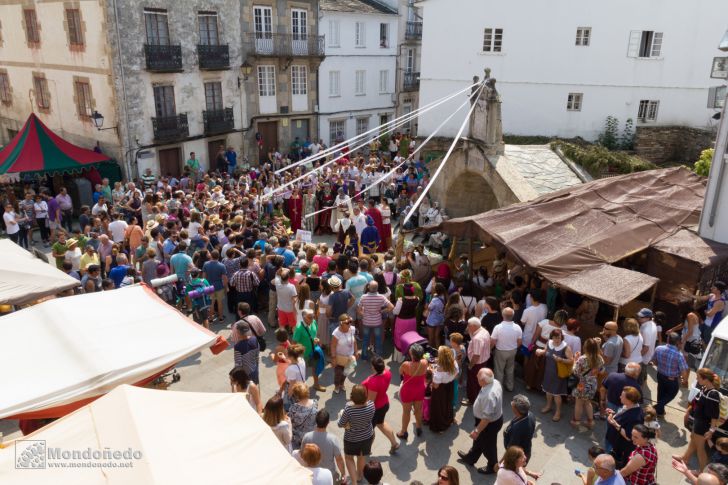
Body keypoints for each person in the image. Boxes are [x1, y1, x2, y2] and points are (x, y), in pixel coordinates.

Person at [457, 368, 503, 475]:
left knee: (488, 446)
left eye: (478, 376)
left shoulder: (489, 396)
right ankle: (471, 457)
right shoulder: (495, 382)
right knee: (478, 441)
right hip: (489, 420)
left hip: (488, 424)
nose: (476, 376)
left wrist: (477, 430)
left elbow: (486, 419)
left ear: (483, 381)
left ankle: (492, 466)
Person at [675, 368, 723, 471]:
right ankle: (685, 458)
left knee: (700, 449)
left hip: (703, 425)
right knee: (693, 438)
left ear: (706, 379)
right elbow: (695, 402)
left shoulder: (713, 394)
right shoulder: (704, 388)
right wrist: (688, 411)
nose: (696, 379)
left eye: (698, 378)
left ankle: (702, 472)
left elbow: (715, 415)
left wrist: (711, 431)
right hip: (697, 421)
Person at [338, 384, 376, 485]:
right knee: (361, 457)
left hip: (351, 439)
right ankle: (359, 476)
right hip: (367, 437)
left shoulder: (349, 409)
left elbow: (340, 424)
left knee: (349, 458)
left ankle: (354, 482)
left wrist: (340, 416)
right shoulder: (372, 405)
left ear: (352, 397)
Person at [362, 356, 400, 454]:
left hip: (375, 409)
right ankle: (394, 443)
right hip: (384, 404)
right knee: (381, 423)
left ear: (374, 368)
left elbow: (370, 401)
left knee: (370, 430)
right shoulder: (388, 372)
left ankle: (367, 450)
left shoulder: (373, 382)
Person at [536, 328, 573, 422]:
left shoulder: (566, 347)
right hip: (548, 372)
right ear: (552, 337)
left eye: (559, 338)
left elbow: (571, 361)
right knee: (548, 391)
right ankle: (548, 406)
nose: (557, 340)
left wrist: (561, 360)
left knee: (556, 394)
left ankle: (558, 412)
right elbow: (546, 351)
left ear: (562, 337)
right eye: (555, 337)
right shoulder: (549, 343)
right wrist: (541, 352)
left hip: (558, 374)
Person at [301, 410, 347, 484]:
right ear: (328, 422)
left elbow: (302, 455)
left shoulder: (307, 437)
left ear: (316, 421)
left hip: (310, 474)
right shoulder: (333, 439)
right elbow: (339, 460)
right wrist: (343, 474)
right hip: (329, 475)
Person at [653, 332, 689, 416]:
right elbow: (684, 371)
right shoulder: (679, 355)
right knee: (671, 394)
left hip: (660, 375)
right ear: (677, 343)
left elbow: (654, 362)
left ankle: (660, 412)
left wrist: (662, 367)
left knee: (661, 393)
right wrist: (684, 380)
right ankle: (657, 408)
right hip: (671, 380)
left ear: (668, 340)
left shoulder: (658, 348)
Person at [605, 386, 644, 466]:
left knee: (610, 462)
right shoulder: (628, 406)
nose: (620, 397)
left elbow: (629, 436)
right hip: (613, 439)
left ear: (629, 400)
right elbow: (622, 418)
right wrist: (613, 414)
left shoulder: (635, 417)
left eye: (622, 396)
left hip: (618, 446)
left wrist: (614, 423)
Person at [397, 343, 428, 440]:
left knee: (406, 412)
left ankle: (403, 432)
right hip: (419, 389)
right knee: (418, 410)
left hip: (407, 391)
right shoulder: (425, 362)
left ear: (412, 355)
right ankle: (419, 427)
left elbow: (400, 372)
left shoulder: (406, 365)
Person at [571, 338, 604, 429]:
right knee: (588, 402)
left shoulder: (582, 359)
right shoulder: (600, 358)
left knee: (579, 403)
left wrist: (575, 359)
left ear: (586, 347)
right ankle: (590, 421)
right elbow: (601, 371)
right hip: (593, 383)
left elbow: (575, 371)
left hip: (582, 383)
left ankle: (576, 421)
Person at [359, 281, 393, 359]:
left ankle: (364, 356)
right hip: (377, 322)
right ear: (377, 288)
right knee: (378, 339)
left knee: (366, 339)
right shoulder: (381, 297)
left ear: (368, 287)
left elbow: (359, 309)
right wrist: (382, 311)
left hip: (366, 322)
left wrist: (363, 314)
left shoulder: (363, 297)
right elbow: (391, 307)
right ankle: (378, 356)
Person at [292, 309, 325, 391]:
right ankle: (300, 390)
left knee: (315, 368)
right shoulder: (299, 328)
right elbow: (294, 343)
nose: (312, 318)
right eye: (310, 317)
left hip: (313, 351)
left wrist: (316, 339)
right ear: (304, 317)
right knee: (302, 373)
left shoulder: (313, 322)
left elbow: (315, 334)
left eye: (313, 316)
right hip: (304, 354)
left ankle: (316, 385)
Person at [491, 307, 522, 392]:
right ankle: (510, 386)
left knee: (499, 370)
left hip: (500, 351)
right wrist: (514, 348)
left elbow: (493, 341)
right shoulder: (518, 327)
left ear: (502, 315)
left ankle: (498, 388)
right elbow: (519, 341)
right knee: (510, 369)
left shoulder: (498, 327)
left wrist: (490, 349)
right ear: (513, 316)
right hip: (512, 351)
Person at [429, 345, 458, 433]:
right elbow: (456, 375)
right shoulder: (454, 363)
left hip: (440, 390)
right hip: (450, 386)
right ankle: (449, 420)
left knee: (439, 408)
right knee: (448, 404)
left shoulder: (439, 370)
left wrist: (432, 372)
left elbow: (436, 386)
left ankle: (440, 426)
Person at [464, 317, 491, 405]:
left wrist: (470, 365)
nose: (467, 327)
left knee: (473, 382)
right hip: (484, 360)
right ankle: (479, 397)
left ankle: (472, 400)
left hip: (476, 363)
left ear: (473, 326)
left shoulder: (477, 339)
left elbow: (476, 355)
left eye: (468, 325)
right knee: (479, 381)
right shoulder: (483, 330)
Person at [503, 395, 536, 461]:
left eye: (513, 403)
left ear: (516, 410)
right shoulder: (530, 414)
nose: (511, 403)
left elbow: (512, 448)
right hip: (526, 449)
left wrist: (502, 461)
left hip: (516, 457)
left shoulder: (518, 428)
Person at [331, 314, 358, 394]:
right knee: (338, 372)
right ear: (341, 323)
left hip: (349, 356)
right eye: (347, 323)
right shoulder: (336, 333)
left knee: (346, 372)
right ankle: (336, 385)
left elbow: (354, 341)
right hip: (339, 357)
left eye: (350, 322)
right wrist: (333, 358)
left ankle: (342, 383)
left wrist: (356, 351)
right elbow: (333, 345)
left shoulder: (352, 329)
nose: (349, 324)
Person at [288, 381, 318, 450]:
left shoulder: (294, 408)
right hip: (311, 435)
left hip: (298, 437)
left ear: (296, 395)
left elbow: (290, 421)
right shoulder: (315, 403)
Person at [233, 319, 260, 384]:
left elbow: (238, 364)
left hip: (245, 374)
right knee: (255, 388)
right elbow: (257, 354)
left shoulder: (238, 346)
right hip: (255, 370)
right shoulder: (254, 339)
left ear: (238, 332)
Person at [637, 308, 658, 384]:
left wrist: (637, 356)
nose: (639, 318)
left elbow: (646, 347)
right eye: (639, 316)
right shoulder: (651, 323)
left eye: (641, 317)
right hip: (648, 355)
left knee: (640, 375)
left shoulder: (647, 330)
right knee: (644, 371)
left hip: (644, 356)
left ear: (648, 318)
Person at [425, 282, 447, 348]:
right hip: (441, 320)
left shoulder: (434, 299)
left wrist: (430, 299)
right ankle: (438, 352)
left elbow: (429, 308)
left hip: (432, 320)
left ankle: (431, 351)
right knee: (437, 337)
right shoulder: (445, 297)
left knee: (431, 338)